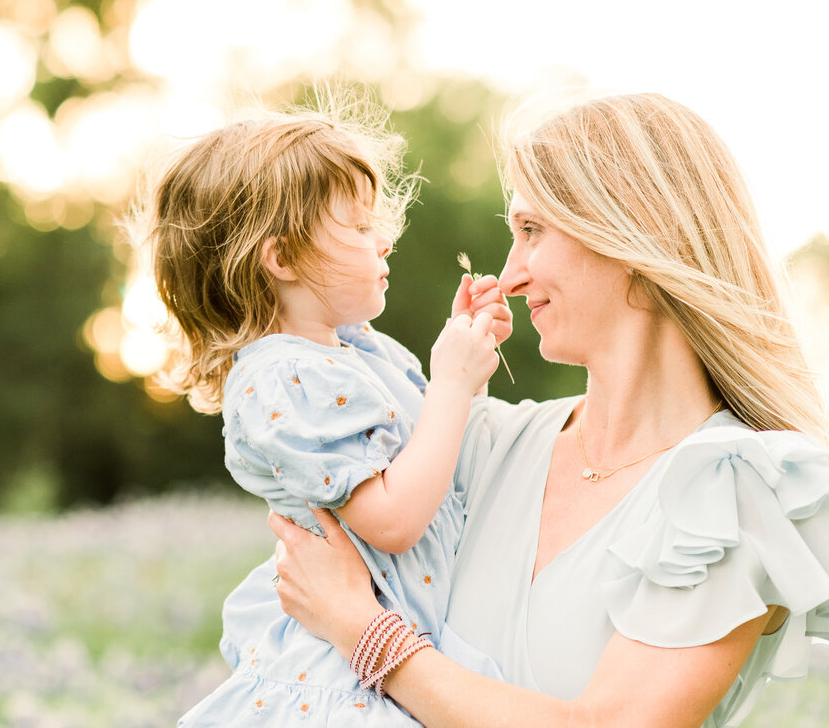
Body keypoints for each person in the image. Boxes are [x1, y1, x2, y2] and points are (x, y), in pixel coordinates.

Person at [266, 91, 829, 728]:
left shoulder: (738, 490)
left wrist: (366, 633)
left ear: (633, 230)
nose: (509, 276)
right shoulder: (483, 443)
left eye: (532, 231)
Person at [129, 105, 513, 726]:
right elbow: (391, 520)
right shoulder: (281, 380)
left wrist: (462, 361)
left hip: (407, 636)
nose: (384, 240)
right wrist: (451, 382)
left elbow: (438, 456)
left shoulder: (361, 349)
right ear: (281, 258)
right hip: (348, 678)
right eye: (359, 228)